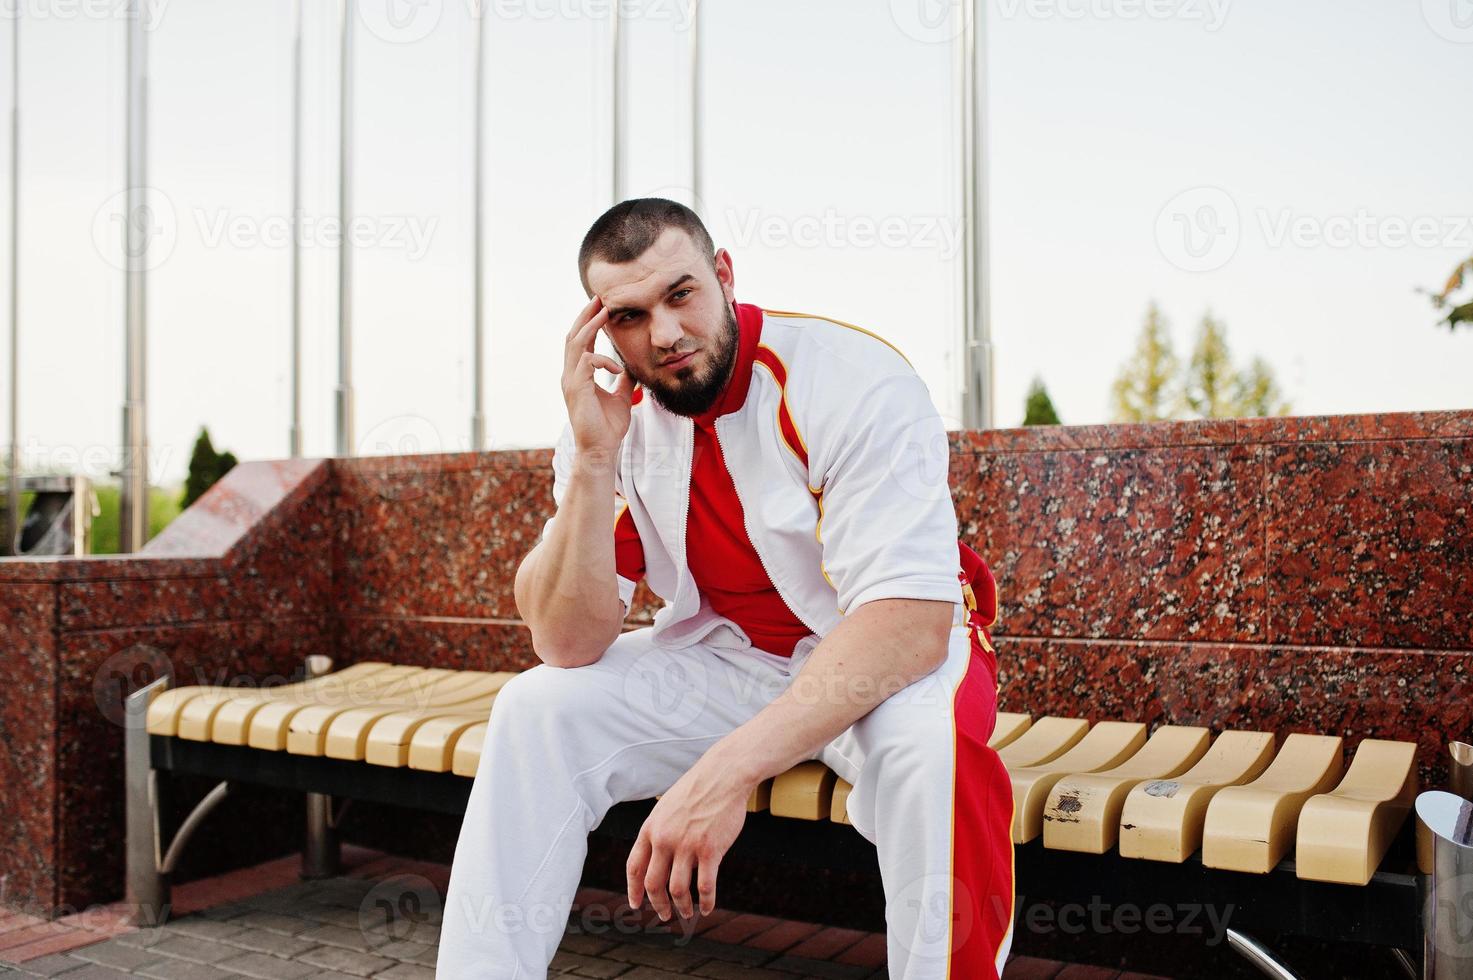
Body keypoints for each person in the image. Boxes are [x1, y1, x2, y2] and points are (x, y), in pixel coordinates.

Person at [437, 198, 1014, 979]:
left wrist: (724, 771)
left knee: (930, 760)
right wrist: (592, 457)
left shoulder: (851, 379)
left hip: (884, 663)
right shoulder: (613, 420)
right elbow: (565, 642)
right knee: (536, 707)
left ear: (723, 275)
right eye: (631, 315)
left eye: (681, 295)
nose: (665, 334)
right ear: (603, 332)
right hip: (732, 661)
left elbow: (908, 624)